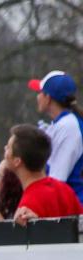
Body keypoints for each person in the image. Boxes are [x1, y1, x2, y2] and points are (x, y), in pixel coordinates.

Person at [0, 124, 83, 225]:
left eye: (8, 147)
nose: (5, 149)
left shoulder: (27, 207)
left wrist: (1, 225)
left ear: (17, 161)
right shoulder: (64, 189)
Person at [30, 70, 83, 203]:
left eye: (40, 92)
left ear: (48, 98)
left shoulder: (68, 126)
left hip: (75, 206)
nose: (37, 97)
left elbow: (57, 180)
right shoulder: (62, 123)